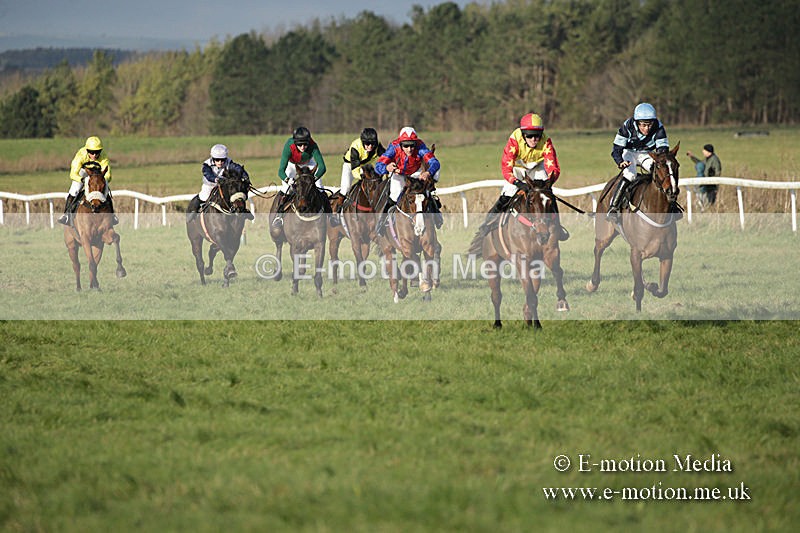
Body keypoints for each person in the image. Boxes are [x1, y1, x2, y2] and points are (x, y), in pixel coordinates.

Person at [474, 112, 568, 241]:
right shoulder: (514, 140)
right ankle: (488, 223)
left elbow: (553, 167)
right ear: (523, 135)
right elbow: (507, 168)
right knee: (508, 192)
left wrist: (549, 182)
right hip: (517, 167)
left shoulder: (546, 141)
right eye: (530, 136)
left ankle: (557, 226)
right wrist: (517, 183)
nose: (534, 139)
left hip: (537, 167)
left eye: (537, 135)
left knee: (547, 194)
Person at [608, 102, 670, 222]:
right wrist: (620, 162)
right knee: (631, 175)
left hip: (647, 153)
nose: (647, 128)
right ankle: (614, 207)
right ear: (637, 122)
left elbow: (663, 151)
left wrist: (660, 162)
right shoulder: (627, 126)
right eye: (643, 125)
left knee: (658, 172)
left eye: (649, 125)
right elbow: (616, 149)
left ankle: (671, 205)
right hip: (629, 153)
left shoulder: (659, 127)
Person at [374, 126, 442, 235]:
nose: (409, 149)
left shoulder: (421, 146)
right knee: (395, 195)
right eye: (406, 146)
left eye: (412, 145)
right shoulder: (393, 147)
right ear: (400, 144)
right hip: (399, 173)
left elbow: (435, 162)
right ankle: (382, 222)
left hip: (416, 172)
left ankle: (436, 211)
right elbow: (378, 166)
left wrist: (427, 173)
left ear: (416, 143)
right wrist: (386, 168)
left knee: (428, 186)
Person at [272, 126, 330, 227]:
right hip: (292, 165)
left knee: (320, 187)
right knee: (286, 189)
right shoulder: (288, 147)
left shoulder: (313, 145)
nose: (303, 147)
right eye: (300, 144)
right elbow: (280, 171)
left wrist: (314, 179)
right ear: (295, 143)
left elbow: (322, 167)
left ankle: (330, 216)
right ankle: (279, 216)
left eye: (305, 144)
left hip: (309, 163)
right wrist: (287, 179)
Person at [58, 136, 118, 226]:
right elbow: (73, 174)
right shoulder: (80, 156)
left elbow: (108, 175)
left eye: (97, 152)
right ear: (87, 150)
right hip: (82, 173)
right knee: (74, 190)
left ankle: (112, 215)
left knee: (105, 191)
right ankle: (66, 215)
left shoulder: (104, 157)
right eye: (91, 152)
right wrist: (82, 179)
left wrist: (102, 180)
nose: (94, 155)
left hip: (97, 175)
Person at [187, 144, 254, 222]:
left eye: (222, 160)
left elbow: (239, 169)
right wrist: (216, 179)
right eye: (217, 160)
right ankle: (194, 211)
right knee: (203, 196)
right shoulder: (206, 165)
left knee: (236, 194)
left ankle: (243, 211)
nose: (220, 162)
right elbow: (208, 175)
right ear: (213, 158)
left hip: (224, 185)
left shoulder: (229, 163)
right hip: (210, 185)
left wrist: (245, 176)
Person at [331, 127, 385, 222]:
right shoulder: (355, 147)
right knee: (345, 188)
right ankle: (336, 212)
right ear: (363, 142)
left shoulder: (377, 146)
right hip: (351, 166)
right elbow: (355, 171)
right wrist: (364, 177)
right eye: (367, 144)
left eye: (372, 143)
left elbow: (386, 157)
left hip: (365, 166)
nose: (370, 146)